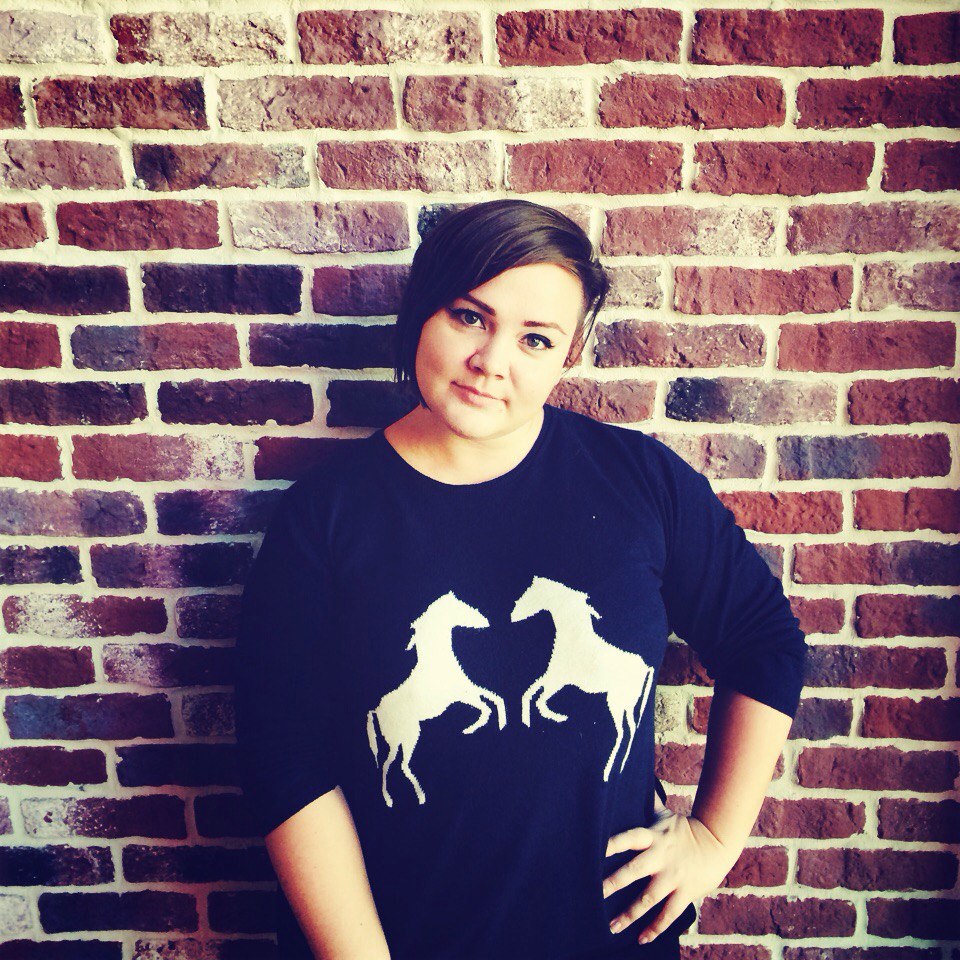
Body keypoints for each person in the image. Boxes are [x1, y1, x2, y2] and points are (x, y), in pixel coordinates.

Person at [234, 199, 809, 960]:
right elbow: (283, 756)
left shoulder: (639, 483)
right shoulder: (326, 514)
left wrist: (712, 839)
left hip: (608, 936)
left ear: (568, 353)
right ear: (422, 311)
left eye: (535, 338)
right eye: (469, 317)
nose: (491, 360)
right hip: (400, 940)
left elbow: (766, 643)